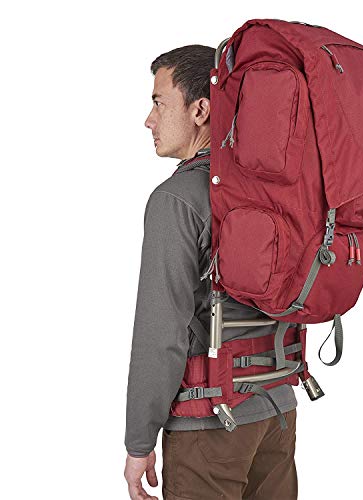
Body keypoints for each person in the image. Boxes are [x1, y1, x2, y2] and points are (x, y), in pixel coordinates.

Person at [124, 45, 299, 500]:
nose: (149, 120)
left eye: (159, 103)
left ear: (200, 109)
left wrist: (139, 442)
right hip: (277, 410)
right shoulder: (276, 191)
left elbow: (160, 333)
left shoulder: (177, 199)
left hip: (208, 426)